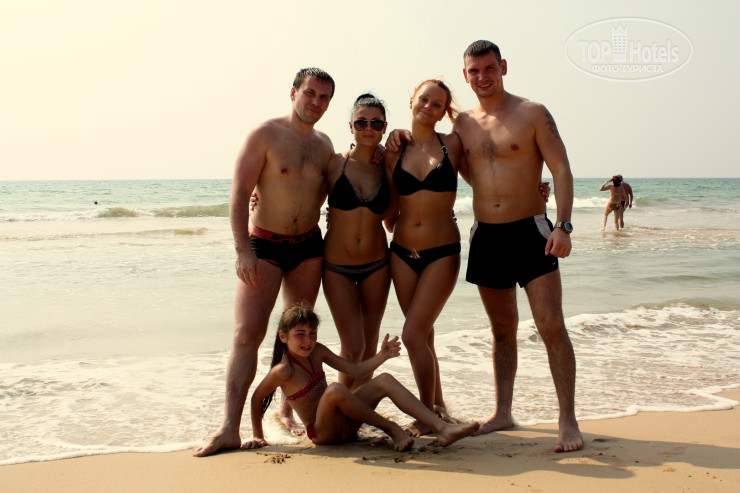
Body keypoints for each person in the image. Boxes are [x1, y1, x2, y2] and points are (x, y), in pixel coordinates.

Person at [193, 68, 337, 457]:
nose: (316, 102)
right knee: (247, 335)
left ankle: (288, 413)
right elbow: (240, 193)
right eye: (310, 93)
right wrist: (242, 249)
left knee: (299, 337)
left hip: (308, 247)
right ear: (293, 93)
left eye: (324, 97)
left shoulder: (325, 145)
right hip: (265, 246)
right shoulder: (265, 134)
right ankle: (229, 428)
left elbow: (327, 191)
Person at [243, 303, 479, 451]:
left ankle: (440, 428)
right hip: (324, 433)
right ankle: (392, 429)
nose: (308, 340)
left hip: (347, 425)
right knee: (335, 389)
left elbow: (355, 371)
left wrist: (382, 356)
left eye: (312, 333)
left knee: (384, 379)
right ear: (283, 337)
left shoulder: (318, 351)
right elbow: (256, 398)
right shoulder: (283, 371)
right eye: (300, 334)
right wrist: (257, 435)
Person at [382, 79, 465, 435]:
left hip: (442, 253)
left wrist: (535, 192)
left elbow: (485, 177)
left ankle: (426, 416)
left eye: (437, 104)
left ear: (444, 112)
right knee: (424, 335)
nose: (428, 107)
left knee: (412, 335)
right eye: (424, 99)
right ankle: (439, 407)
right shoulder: (394, 149)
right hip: (402, 253)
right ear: (412, 100)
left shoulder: (453, 144)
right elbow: (388, 209)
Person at [323, 94, 393, 390]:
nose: (369, 128)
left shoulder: (387, 165)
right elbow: (301, 193)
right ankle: (343, 405)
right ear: (350, 126)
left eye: (376, 123)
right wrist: (258, 198)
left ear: (384, 128)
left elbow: (400, 209)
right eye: (361, 122)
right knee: (352, 346)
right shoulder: (334, 163)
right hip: (336, 266)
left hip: (377, 265)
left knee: (370, 345)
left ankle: (360, 406)